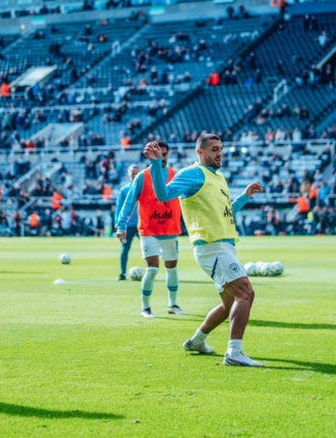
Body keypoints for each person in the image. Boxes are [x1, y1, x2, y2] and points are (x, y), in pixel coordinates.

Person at [144, 134, 265, 367]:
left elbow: (226, 211)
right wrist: (156, 164)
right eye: (213, 149)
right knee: (246, 293)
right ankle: (234, 352)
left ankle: (197, 341)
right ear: (200, 152)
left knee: (229, 304)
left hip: (225, 246)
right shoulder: (193, 173)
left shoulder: (217, 177)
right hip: (211, 247)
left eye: (220, 149)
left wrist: (245, 196)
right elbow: (163, 195)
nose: (219, 153)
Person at [116, 142, 185, 317]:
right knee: (152, 268)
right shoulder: (142, 177)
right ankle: (145, 307)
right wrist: (121, 224)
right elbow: (129, 201)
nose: (161, 157)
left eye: (164, 154)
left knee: (172, 268)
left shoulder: (174, 174)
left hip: (170, 229)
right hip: (149, 230)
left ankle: (173, 304)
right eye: (158, 154)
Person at [113, 164, 140, 281]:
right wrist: (117, 222)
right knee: (125, 248)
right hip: (128, 225)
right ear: (128, 174)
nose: (134, 175)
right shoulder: (124, 190)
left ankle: (151, 271)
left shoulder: (144, 188)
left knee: (147, 248)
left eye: (136, 172)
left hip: (142, 224)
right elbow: (118, 207)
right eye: (132, 173)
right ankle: (122, 273)